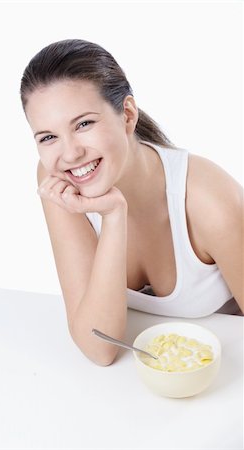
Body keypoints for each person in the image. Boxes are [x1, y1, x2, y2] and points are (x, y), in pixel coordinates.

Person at [20, 39, 243, 366]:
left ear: (127, 114)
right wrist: (113, 217)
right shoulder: (58, 178)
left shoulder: (208, 199)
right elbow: (99, 347)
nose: (69, 154)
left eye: (84, 124)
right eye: (48, 137)